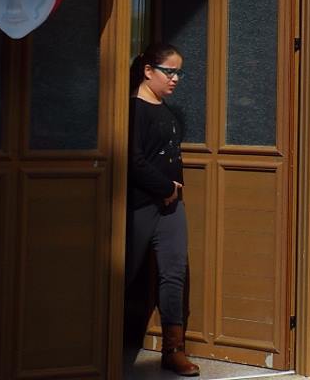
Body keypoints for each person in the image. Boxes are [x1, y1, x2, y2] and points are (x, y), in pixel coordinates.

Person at [125, 42, 199, 377]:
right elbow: (133, 160)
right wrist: (166, 187)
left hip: (171, 209)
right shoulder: (132, 110)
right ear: (147, 71)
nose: (175, 78)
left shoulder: (166, 110)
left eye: (178, 72)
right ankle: (99, 345)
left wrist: (172, 194)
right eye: (169, 71)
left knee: (174, 272)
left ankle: (173, 350)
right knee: (124, 271)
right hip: (140, 206)